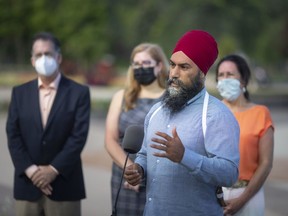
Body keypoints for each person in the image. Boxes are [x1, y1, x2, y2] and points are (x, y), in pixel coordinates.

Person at [124, 30, 240, 215]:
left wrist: (184, 156)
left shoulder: (216, 115)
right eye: (172, 65)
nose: (174, 74)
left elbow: (229, 174)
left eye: (184, 67)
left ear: (202, 73)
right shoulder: (156, 111)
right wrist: (139, 170)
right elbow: (145, 155)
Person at [6, 32, 90, 216]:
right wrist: (31, 171)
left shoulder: (79, 93)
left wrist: (53, 170)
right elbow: (13, 135)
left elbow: (78, 136)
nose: (43, 59)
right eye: (38, 55)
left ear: (58, 57)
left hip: (64, 185)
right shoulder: (19, 93)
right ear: (32, 60)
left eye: (48, 54)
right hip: (27, 185)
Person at [105, 43, 169, 215]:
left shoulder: (171, 98)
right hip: (125, 174)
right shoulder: (121, 97)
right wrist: (131, 171)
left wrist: (143, 172)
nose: (141, 68)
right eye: (137, 64)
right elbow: (110, 139)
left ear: (159, 65)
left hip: (160, 177)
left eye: (146, 63)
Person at [215, 54, 274, 216]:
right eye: (221, 75)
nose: (225, 79)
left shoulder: (260, 113)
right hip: (215, 195)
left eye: (230, 74)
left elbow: (266, 163)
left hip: (249, 195)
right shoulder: (211, 113)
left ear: (243, 80)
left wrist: (243, 199)